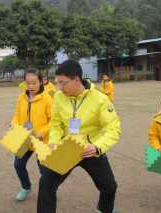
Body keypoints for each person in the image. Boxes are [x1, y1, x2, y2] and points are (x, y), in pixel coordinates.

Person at [37, 60, 121, 213]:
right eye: (57, 83)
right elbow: (55, 124)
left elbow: (113, 128)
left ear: (76, 79)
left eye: (63, 83)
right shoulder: (58, 97)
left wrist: (97, 146)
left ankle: (103, 209)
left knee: (109, 187)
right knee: (46, 183)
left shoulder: (100, 99)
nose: (59, 88)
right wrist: (54, 142)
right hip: (67, 149)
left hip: (90, 150)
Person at [11, 69, 52, 201]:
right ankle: (26, 187)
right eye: (28, 83)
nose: (30, 86)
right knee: (18, 164)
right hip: (25, 138)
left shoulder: (47, 99)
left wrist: (42, 133)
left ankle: (50, 191)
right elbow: (16, 115)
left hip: (41, 140)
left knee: (45, 172)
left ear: (41, 81)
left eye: (34, 83)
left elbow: (54, 121)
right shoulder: (21, 97)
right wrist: (14, 124)